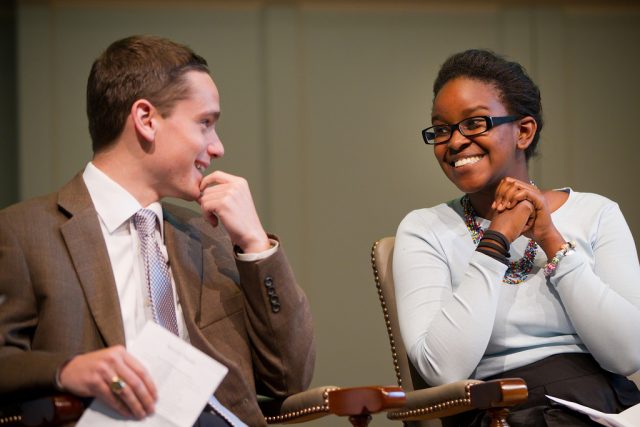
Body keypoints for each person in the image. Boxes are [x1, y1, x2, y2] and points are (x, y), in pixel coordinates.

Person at [0, 35, 315, 427]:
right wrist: (67, 370)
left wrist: (255, 244)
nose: (217, 147)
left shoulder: (210, 238)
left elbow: (289, 377)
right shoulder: (23, 231)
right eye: (205, 123)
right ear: (146, 119)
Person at [393, 49, 640, 426]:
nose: (454, 142)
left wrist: (552, 241)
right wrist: (496, 240)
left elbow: (626, 355)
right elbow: (442, 371)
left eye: (474, 123)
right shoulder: (425, 229)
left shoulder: (596, 213)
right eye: (441, 129)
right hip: (501, 411)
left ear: (523, 131)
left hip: (605, 404)